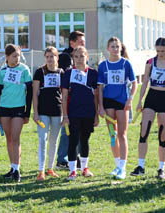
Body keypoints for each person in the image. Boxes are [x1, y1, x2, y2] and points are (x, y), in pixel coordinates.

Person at [130, 37, 165, 179]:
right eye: (158, 51)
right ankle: (140, 166)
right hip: (151, 97)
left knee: (162, 135)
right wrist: (140, 101)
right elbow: (145, 81)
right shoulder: (150, 62)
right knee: (144, 131)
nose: (160, 53)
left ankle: (161, 169)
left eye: (163, 51)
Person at [98, 37, 137, 179]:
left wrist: (130, 100)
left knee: (122, 134)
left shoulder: (126, 64)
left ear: (121, 48)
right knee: (112, 136)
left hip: (122, 102)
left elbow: (134, 83)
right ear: (108, 49)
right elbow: (100, 88)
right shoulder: (103, 66)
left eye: (117, 46)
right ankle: (116, 165)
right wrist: (100, 107)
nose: (115, 49)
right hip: (108, 103)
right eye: (112, 46)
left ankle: (123, 168)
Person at [0, 44, 32, 182]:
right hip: (4, 107)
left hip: (18, 107)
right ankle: (12, 167)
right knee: (9, 138)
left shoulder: (24, 69)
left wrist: (27, 112)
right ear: (7, 57)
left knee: (16, 138)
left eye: (18, 55)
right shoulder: (2, 71)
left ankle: (17, 170)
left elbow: (29, 93)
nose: (17, 58)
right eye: (14, 56)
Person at [61, 46, 98, 181]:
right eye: (76, 56)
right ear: (72, 58)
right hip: (73, 112)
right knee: (73, 140)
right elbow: (64, 96)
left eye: (82, 56)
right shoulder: (68, 73)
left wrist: (96, 114)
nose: (79, 59)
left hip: (88, 112)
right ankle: (72, 171)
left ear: (87, 57)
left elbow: (96, 95)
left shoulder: (93, 73)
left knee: (85, 140)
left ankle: (84, 168)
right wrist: (65, 115)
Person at [33, 46, 64, 181]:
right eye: (47, 57)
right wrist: (35, 112)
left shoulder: (62, 72)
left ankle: (50, 168)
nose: (50, 59)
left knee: (54, 140)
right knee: (42, 139)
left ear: (57, 57)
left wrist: (66, 114)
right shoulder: (40, 72)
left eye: (52, 56)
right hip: (43, 111)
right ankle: (41, 170)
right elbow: (34, 93)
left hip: (57, 110)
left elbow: (64, 93)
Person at [56, 31, 85, 170]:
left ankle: (76, 157)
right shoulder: (65, 57)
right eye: (81, 42)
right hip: (67, 99)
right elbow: (62, 79)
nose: (83, 44)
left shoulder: (82, 57)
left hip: (80, 99)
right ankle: (62, 159)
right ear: (72, 43)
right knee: (66, 129)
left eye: (84, 42)